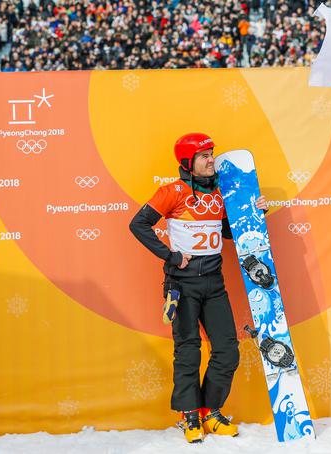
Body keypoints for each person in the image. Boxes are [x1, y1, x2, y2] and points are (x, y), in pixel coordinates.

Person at [129, 133, 267, 443]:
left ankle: (211, 411)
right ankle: (189, 415)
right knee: (188, 351)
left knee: (228, 351)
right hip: (182, 284)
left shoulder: (220, 192)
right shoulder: (173, 192)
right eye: (204, 156)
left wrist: (253, 211)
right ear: (187, 163)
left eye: (212, 154)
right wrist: (171, 255)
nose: (211, 160)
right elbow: (138, 224)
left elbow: (228, 232)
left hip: (214, 284)